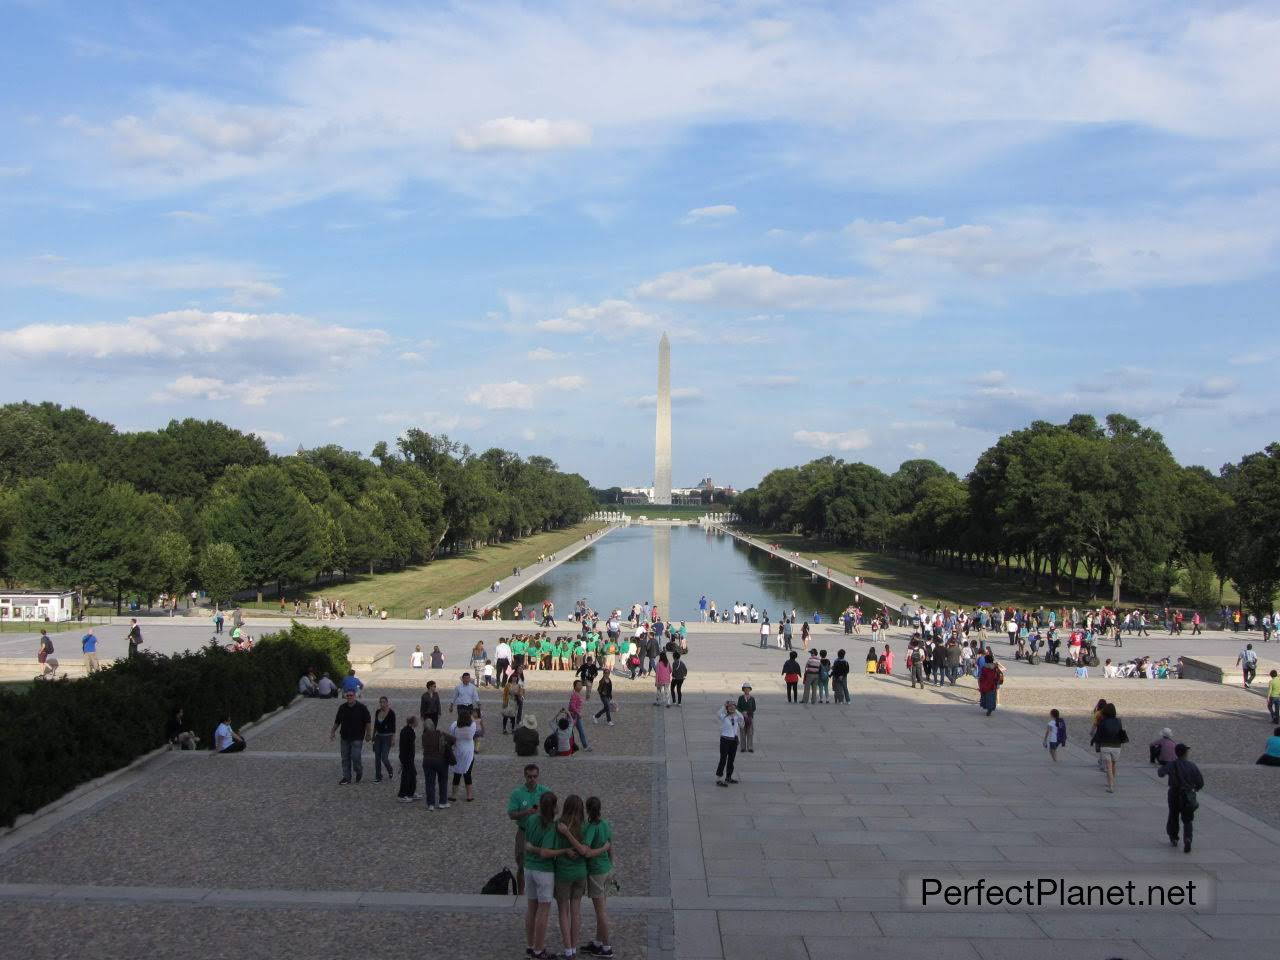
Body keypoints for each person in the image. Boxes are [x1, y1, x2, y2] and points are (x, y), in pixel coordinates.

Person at [521, 792, 561, 959]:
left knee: (531, 909)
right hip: (544, 871)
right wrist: (563, 851)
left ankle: (530, 946)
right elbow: (545, 852)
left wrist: (530, 848)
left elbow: (526, 842)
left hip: (528, 868)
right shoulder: (552, 826)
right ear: (553, 807)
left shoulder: (531, 820)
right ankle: (539, 949)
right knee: (543, 912)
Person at [583, 795, 616, 958]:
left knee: (600, 913)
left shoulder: (591, 828)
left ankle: (607, 947)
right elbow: (610, 846)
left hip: (596, 872)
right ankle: (598, 942)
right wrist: (612, 865)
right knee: (602, 909)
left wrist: (601, 849)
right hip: (607, 870)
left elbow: (587, 852)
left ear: (587, 810)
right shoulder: (605, 824)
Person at [1158, 743, 1204, 853]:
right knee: (1187, 818)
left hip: (1174, 793)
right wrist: (1195, 788)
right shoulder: (1192, 766)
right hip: (1187, 795)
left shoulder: (1171, 764)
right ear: (1185, 753)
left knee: (1173, 815)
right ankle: (1187, 838)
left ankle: (1173, 838)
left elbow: (1160, 773)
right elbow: (1200, 782)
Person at [329, 690, 371, 785]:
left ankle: (359, 770)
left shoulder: (362, 708)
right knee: (345, 758)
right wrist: (332, 731)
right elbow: (337, 721)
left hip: (357, 737)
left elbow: (368, 721)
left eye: (351, 695)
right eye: (347, 696)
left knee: (355, 757)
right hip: (344, 737)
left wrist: (368, 734)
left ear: (355, 696)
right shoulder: (342, 708)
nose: (349, 697)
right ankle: (346, 777)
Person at [1091, 702, 1128, 793]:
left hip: (1105, 746)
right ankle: (1111, 782)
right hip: (1117, 746)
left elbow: (1099, 734)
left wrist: (1094, 741)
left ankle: (1110, 786)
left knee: (1108, 766)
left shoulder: (1102, 721)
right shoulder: (1118, 721)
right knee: (1114, 765)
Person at [420, 718, 455, 810]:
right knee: (443, 781)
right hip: (441, 761)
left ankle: (430, 804)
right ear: (433, 726)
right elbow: (453, 739)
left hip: (427, 761)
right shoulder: (440, 734)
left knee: (429, 783)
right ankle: (442, 802)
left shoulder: (424, 736)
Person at [449, 706, 477, 802]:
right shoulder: (472, 727)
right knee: (467, 774)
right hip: (469, 753)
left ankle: (454, 795)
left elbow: (451, 734)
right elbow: (474, 721)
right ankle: (469, 796)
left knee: (457, 774)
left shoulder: (454, 726)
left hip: (458, 751)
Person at [715, 699, 744, 787]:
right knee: (723, 759)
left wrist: (736, 710)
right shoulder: (724, 716)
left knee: (731, 760)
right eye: (730, 707)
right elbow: (718, 713)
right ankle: (719, 778)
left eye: (733, 707)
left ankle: (728, 777)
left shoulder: (736, 717)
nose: (732, 708)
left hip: (733, 741)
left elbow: (742, 719)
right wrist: (724, 706)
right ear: (727, 708)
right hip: (725, 740)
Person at [372, 696, 396, 783]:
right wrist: (373, 735)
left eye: (383, 702)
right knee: (377, 757)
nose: (382, 704)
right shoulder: (378, 712)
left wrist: (393, 739)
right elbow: (375, 724)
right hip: (378, 737)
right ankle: (378, 776)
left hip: (387, 737)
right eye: (380, 702)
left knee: (384, 758)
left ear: (387, 703)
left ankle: (390, 769)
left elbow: (393, 727)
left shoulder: (391, 713)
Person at [397, 715, 420, 801]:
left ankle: (411, 792)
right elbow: (407, 747)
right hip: (407, 758)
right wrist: (403, 760)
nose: (418, 722)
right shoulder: (409, 732)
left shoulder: (407, 730)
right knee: (406, 776)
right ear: (413, 722)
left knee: (412, 775)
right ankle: (402, 795)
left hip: (408, 757)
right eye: (416, 721)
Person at [568, 681, 592, 752]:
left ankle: (585, 746)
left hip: (576, 716)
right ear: (575, 686)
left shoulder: (577, 694)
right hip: (573, 716)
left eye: (581, 685)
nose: (580, 686)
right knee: (570, 732)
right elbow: (572, 706)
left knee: (581, 731)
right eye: (579, 685)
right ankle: (570, 746)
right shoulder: (574, 695)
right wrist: (579, 713)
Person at [736, 682, 756, 752]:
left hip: (750, 717)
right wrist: (742, 712)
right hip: (742, 717)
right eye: (745, 689)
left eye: (748, 689)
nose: (746, 690)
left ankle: (750, 747)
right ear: (743, 690)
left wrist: (747, 713)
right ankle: (743, 747)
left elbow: (754, 708)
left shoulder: (752, 698)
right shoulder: (741, 698)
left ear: (750, 690)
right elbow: (738, 707)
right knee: (743, 732)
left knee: (750, 732)